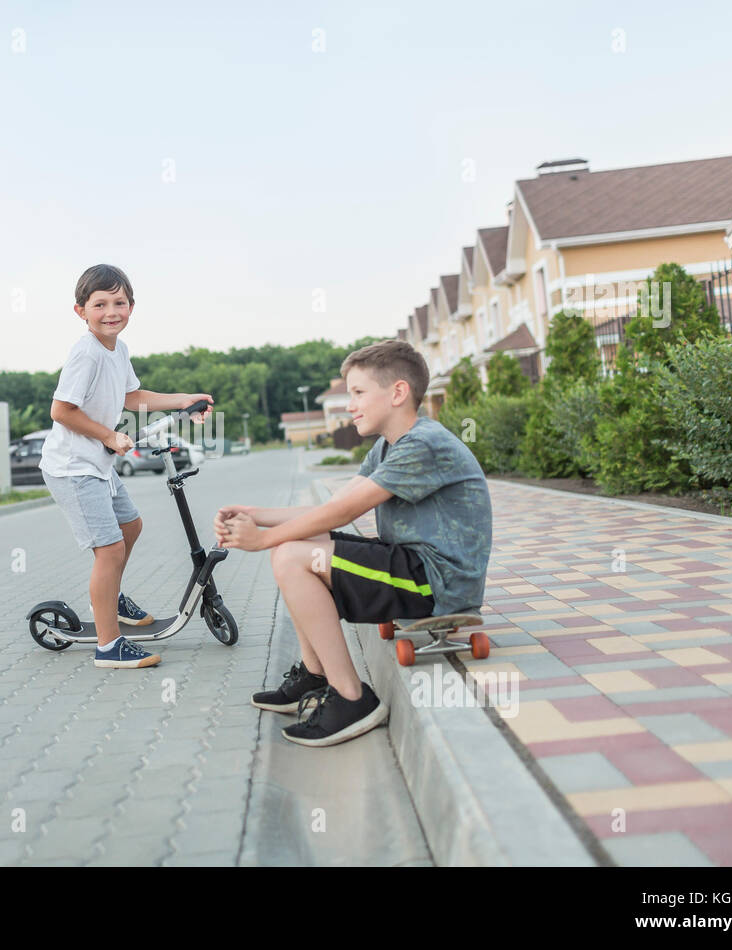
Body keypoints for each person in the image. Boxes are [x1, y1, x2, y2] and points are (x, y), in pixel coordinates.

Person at [215, 340, 492, 747]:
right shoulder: (389, 445)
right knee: (296, 543)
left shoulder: (424, 445)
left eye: (359, 393)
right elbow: (336, 505)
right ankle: (316, 673)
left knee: (291, 554)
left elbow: (342, 516)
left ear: (397, 392)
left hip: (437, 584)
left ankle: (352, 698)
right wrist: (256, 514)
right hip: (413, 569)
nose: (350, 405)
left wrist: (263, 539)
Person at [40, 264, 213, 669]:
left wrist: (183, 399)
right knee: (110, 550)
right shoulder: (86, 353)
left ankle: (110, 598)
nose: (110, 311)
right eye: (99, 304)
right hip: (73, 469)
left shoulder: (118, 350)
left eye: (119, 302)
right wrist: (108, 436)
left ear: (131, 307)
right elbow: (61, 410)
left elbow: (132, 397)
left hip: (96, 466)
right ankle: (108, 647)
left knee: (130, 527)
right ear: (81, 311)